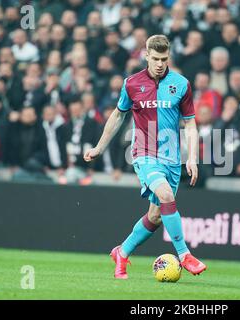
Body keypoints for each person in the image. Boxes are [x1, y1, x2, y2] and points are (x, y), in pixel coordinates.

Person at [83, 35, 207, 279]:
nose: (160, 63)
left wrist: (191, 158)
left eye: (164, 59)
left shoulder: (181, 84)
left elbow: (190, 124)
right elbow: (118, 116)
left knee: (156, 215)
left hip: (172, 158)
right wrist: (99, 147)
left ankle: (123, 252)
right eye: (155, 58)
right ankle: (185, 255)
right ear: (146, 56)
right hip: (144, 153)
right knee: (166, 195)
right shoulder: (131, 83)